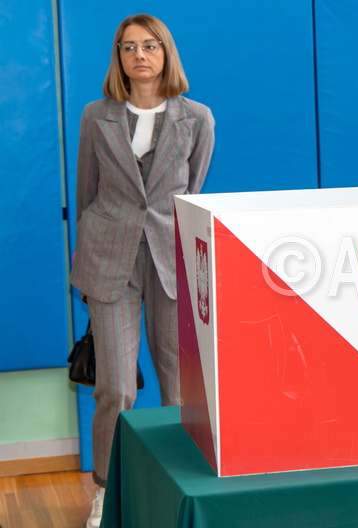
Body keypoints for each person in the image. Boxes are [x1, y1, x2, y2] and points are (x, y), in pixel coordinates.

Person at [69, 13, 214, 528]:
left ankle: (175, 488)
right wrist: (84, 261)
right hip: (109, 262)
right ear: (119, 58)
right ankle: (106, 493)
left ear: (165, 53)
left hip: (171, 261)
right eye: (128, 47)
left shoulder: (197, 117)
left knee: (179, 388)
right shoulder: (95, 116)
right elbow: (85, 193)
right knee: (117, 388)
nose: (139, 55)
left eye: (149, 46)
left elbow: (192, 193)